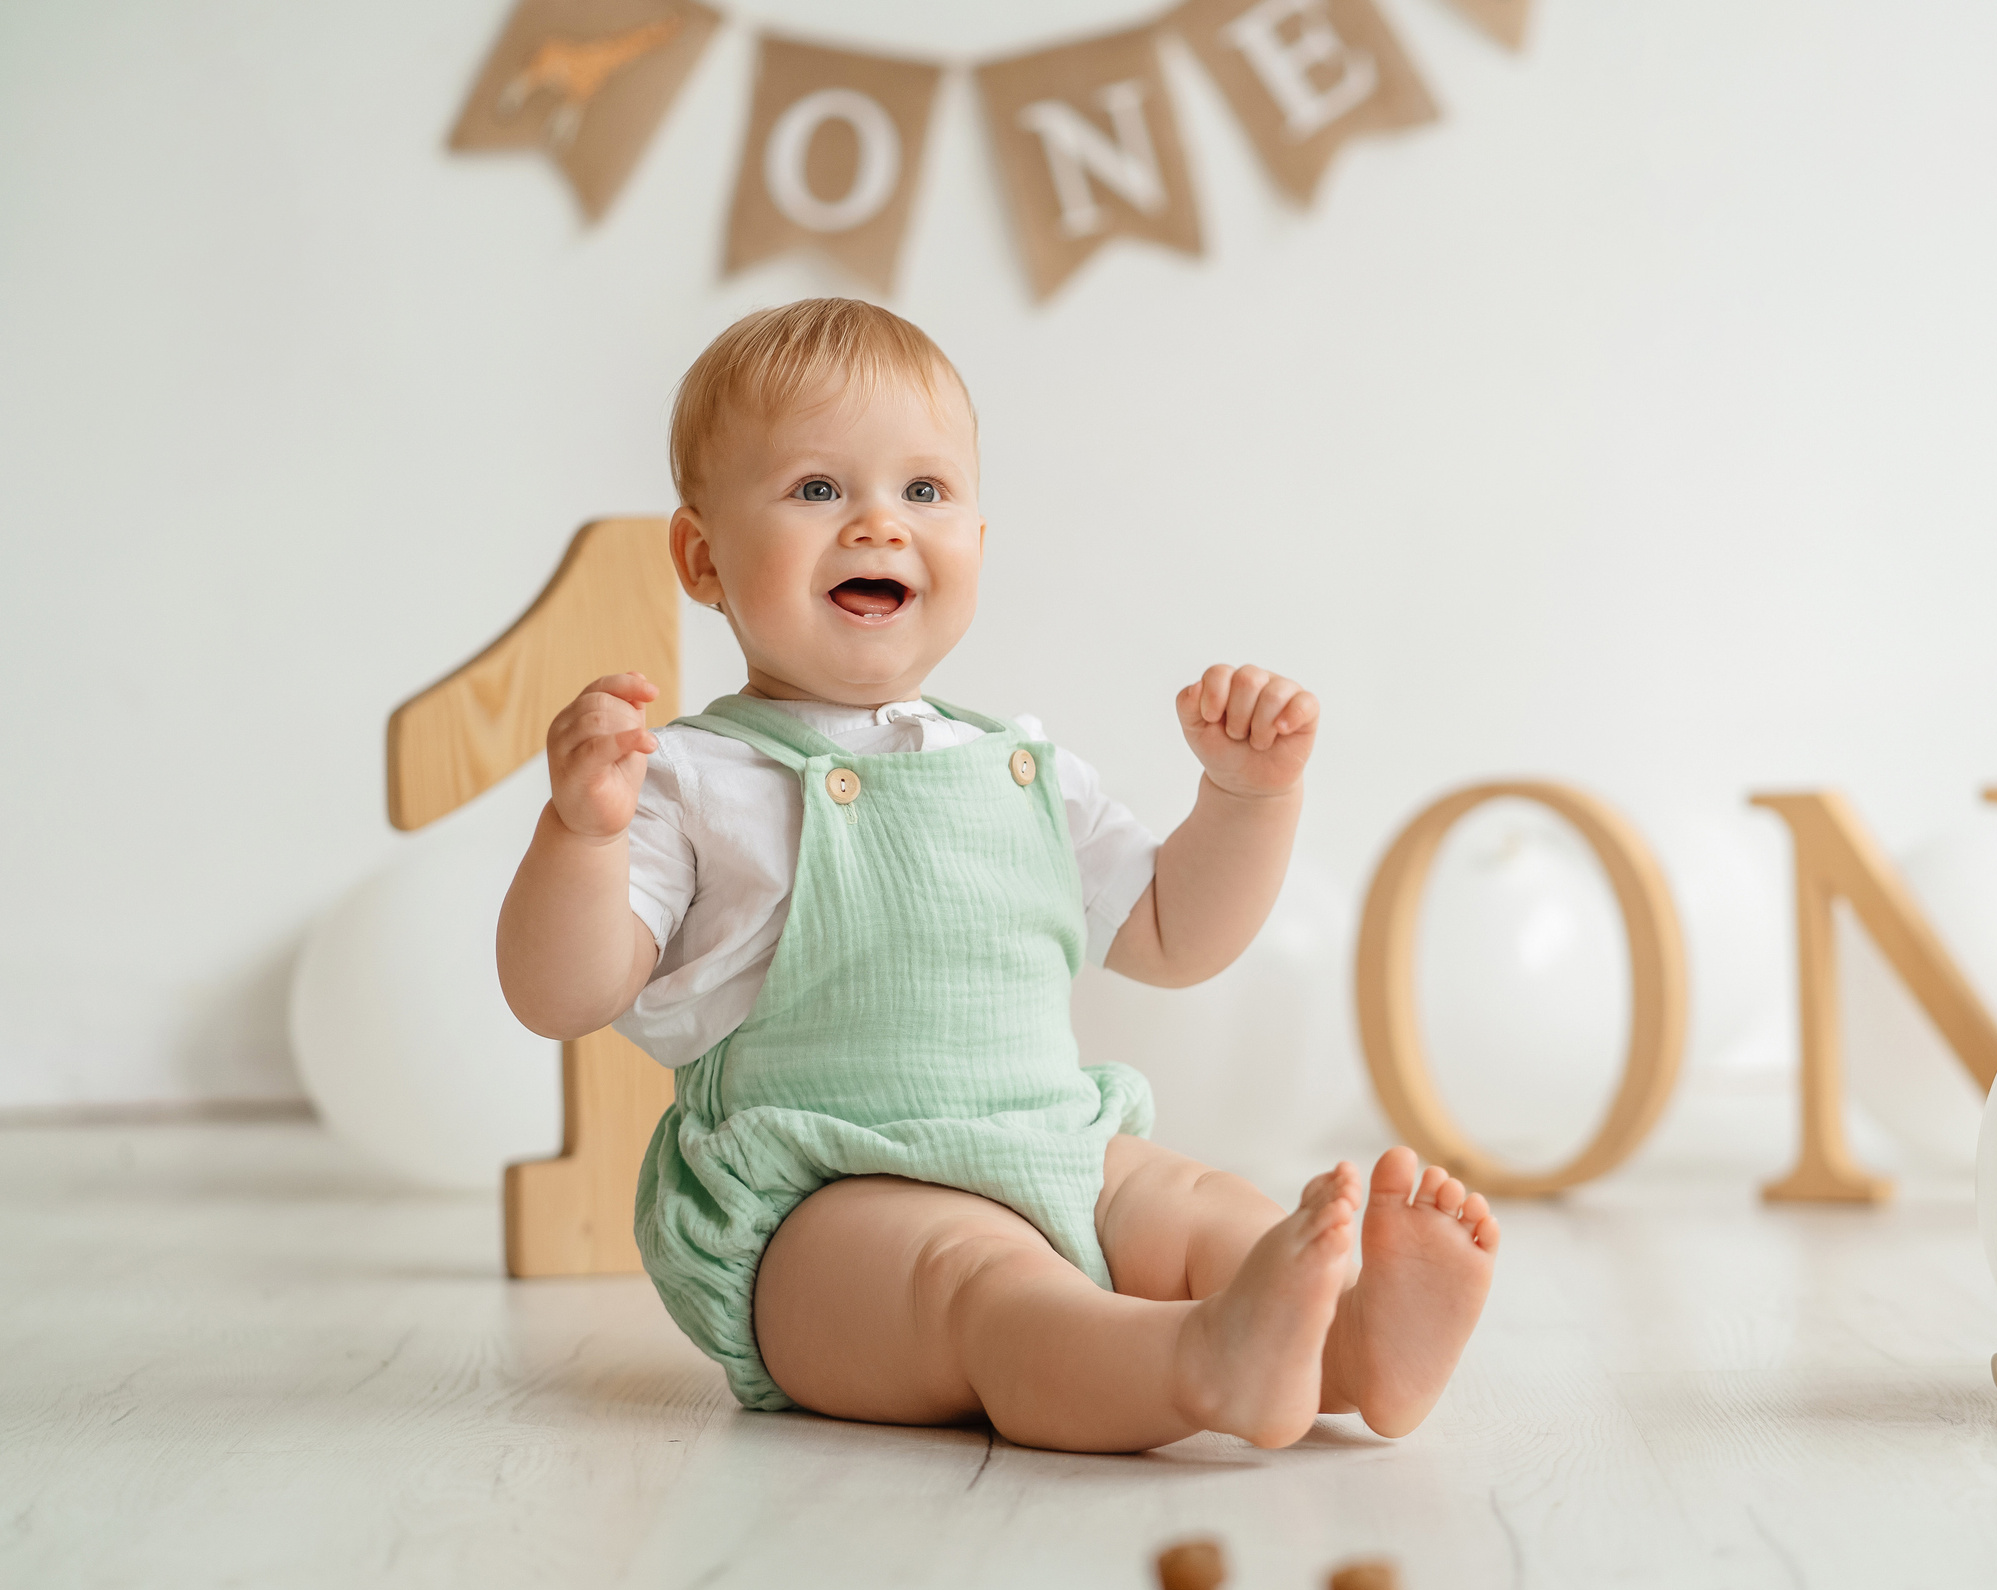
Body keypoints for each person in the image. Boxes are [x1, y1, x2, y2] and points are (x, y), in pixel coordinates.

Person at [495, 299, 1499, 1453]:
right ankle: (1196, 1361)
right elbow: (561, 994)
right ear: (701, 555)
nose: (878, 523)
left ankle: (1354, 1338)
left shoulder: (1021, 771)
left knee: (1197, 1203)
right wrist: (580, 837)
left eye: (924, 492)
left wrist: (1246, 799)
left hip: (1054, 1150)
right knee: (981, 1288)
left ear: (976, 535)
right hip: (828, 1215)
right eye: (818, 489)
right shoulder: (692, 780)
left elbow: (1177, 935)